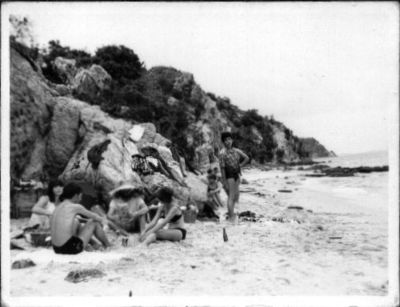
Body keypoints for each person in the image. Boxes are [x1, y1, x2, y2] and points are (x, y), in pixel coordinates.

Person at [50, 183, 110, 254]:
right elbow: (95, 217)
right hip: (69, 248)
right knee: (94, 222)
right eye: (80, 196)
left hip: (56, 248)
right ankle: (108, 246)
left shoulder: (58, 207)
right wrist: (105, 222)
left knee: (76, 222)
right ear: (76, 195)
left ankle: (94, 244)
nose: (81, 198)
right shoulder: (75, 206)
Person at [219, 132, 249, 222]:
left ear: (232, 140)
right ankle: (231, 216)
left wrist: (240, 165)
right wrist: (224, 181)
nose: (228, 142)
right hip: (229, 175)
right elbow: (222, 168)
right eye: (225, 140)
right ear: (223, 142)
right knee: (231, 197)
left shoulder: (236, 150)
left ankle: (231, 214)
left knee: (235, 196)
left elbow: (247, 158)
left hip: (237, 174)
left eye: (229, 139)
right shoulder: (222, 153)